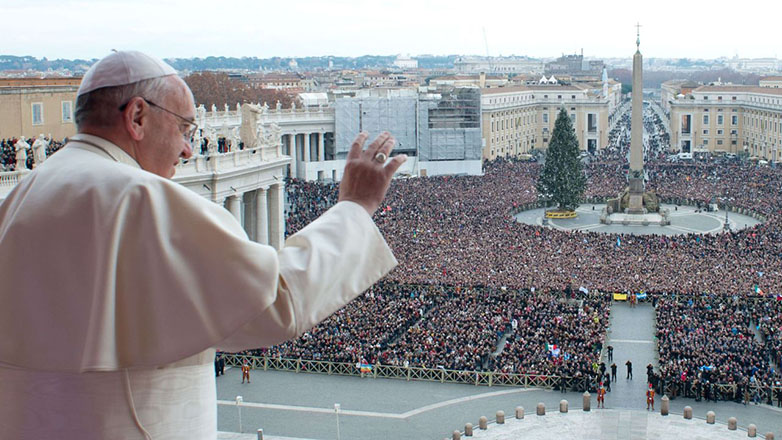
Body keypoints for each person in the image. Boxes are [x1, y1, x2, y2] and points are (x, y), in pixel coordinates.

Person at [0, 51, 407, 439]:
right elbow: (275, 303)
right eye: (184, 128)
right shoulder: (141, 198)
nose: (188, 149)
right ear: (137, 116)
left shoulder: (19, 198)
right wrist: (354, 207)